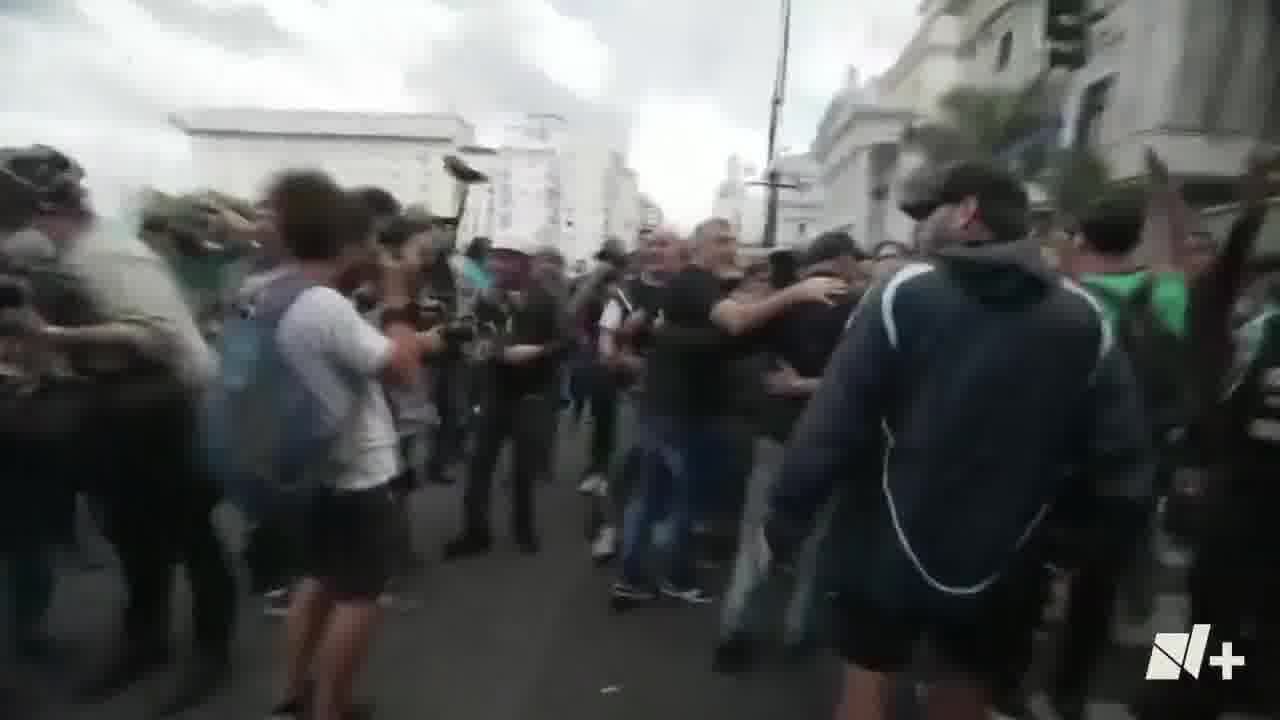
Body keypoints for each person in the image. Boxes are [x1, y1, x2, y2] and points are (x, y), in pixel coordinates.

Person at [764, 161, 1150, 720]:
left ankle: (1203, 669)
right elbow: (1121, 460)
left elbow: (831, 428)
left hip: (886, 547)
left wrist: (785, 520)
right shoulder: (1083, 316)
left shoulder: (902, 295)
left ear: (967, 212)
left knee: (867, 690)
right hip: (1009, 559)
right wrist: (1075, 549)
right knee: (966, 691)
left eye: (932, 210)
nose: (922, 226)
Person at [0, 144, 234, 715]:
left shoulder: (107, 254)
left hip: (164, 408)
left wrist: (52, 337)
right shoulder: (69, 254)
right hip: (114, 413)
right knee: (131, 535)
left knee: (189, 537)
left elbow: (154, 337)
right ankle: (145, 640)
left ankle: (210, 652)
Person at [261, 172, 446, 720]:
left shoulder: (273, 291)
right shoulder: (324, 306)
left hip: (310, 463)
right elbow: (403, 370)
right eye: (367, 240)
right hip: (356, 470)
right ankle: (331, 709)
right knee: (359, 597)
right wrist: (397, 299)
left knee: (316, 581)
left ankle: (292, 694)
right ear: (344, 242)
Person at [611, 217, 848, 607]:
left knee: (651, 498)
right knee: (682, 501)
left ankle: (633, 578)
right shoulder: (694, 281)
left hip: (666, 408)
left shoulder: (696, 286)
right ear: (697, 245)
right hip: (682, 414)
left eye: (733, 240)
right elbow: (737, 322)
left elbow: (733, 318)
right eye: (721, 240)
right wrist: (798, 293)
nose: (730, 247)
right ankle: (673, 576)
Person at [715, 230, 862, 671]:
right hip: (833, 437)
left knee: (758, 535)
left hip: (779, 434)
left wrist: (790, 383)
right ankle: (801, 631)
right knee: (819, 540)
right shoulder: (862, 306)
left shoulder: (784, 304)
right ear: (841, 261)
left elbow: (734, 343)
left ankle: (737, 631)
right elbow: (865, 379)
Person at [443, 240, 571, 558]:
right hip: (495, 390)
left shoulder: (546, 299)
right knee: (478, 463)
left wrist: (539, 352)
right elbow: (480, 335)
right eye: (493, 258)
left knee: (523, 469)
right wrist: (488, 349)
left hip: (532, 395)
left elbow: (569, 341)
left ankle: (524, 531)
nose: (495, 266)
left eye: (504, 259)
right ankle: (476, 532)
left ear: (524, 263)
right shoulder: (487, 298)